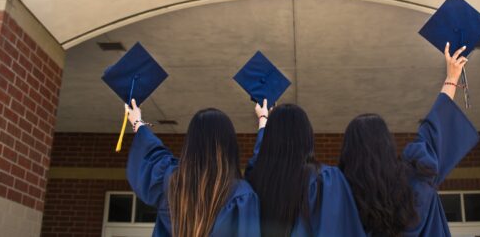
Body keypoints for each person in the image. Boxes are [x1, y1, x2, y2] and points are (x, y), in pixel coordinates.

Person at [339, 43, 480, 237]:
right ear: (387, 145)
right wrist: (452, 77)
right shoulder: (417, 178)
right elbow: (433, 130)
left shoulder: (339, 198)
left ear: (348, 152)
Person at [125, 101, 260, 237]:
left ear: (190, 143)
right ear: (230, 145)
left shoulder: (171, 181)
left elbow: (152, 154)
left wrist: (137, 122)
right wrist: (263, 121)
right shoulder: (241, 195)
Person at [245, 100, 366, 237]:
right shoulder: (325, 180)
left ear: (269, 139)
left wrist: (263, 121)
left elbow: (258, 160)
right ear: (307, 136)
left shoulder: (256, 180)